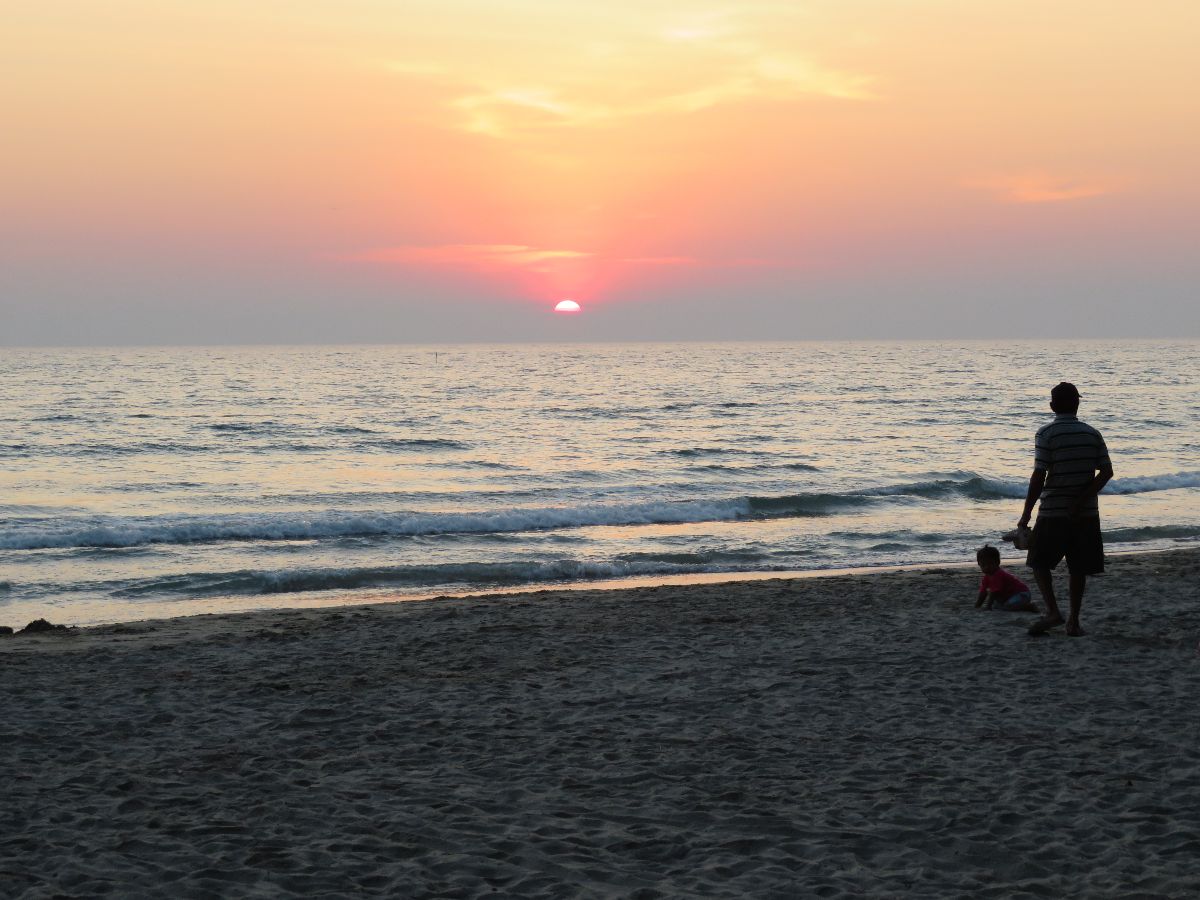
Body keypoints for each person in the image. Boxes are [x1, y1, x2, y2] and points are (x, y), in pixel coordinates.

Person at [1017, 382, 1113, 636]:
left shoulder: (1046, 434)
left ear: (1052, 406)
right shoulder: (1092, 433)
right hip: (1086, 514)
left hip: (1053, 511)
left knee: (1038, 562)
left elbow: (1039, 475)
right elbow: (1106, 472)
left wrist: (1026, 512)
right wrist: (1082, 500)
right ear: (1077, 404)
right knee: (1078, 568)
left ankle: (1053, 611)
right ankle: (1074, 621)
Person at [974, 545, 1038, 611]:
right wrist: (977, 606)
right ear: (979, 564)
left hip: (1021, 594)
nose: (987, 567)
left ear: (997, 562)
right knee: (997, 605)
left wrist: (988, 607)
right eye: (983, 565)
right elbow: (983, 593)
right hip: (1010, 596)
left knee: (1007, 606)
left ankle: (1029, 607)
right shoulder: (986, 578)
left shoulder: (998, 574)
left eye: (990, 564)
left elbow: (994, 592)